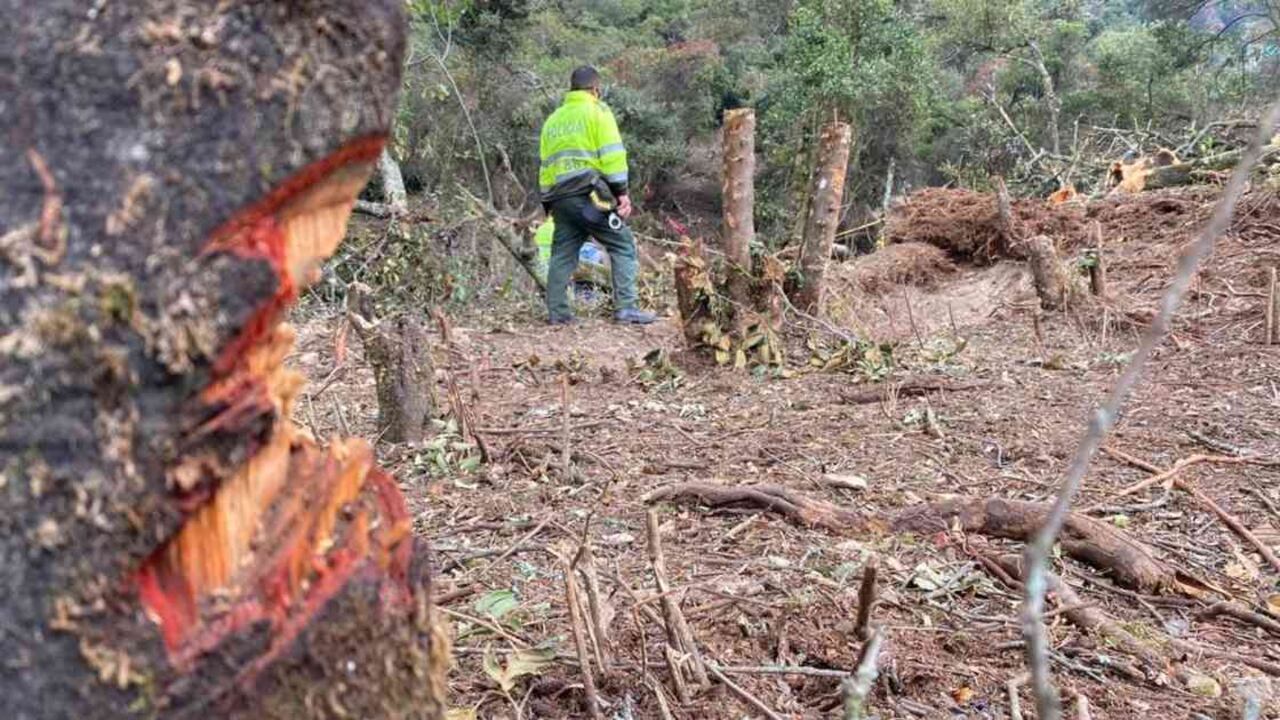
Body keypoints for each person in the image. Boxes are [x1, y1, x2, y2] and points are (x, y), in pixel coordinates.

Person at [538, 65, 656, 325]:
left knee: (562, 253)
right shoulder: (598, 111)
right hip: (590, 196)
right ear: (595, 89)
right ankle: (626, 307)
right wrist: (621, 193)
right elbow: (612, 155)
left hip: (559, 199)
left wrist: (549, 205)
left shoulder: (553, 120)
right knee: (622, 244)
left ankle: (557, 313)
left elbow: (545, 166)